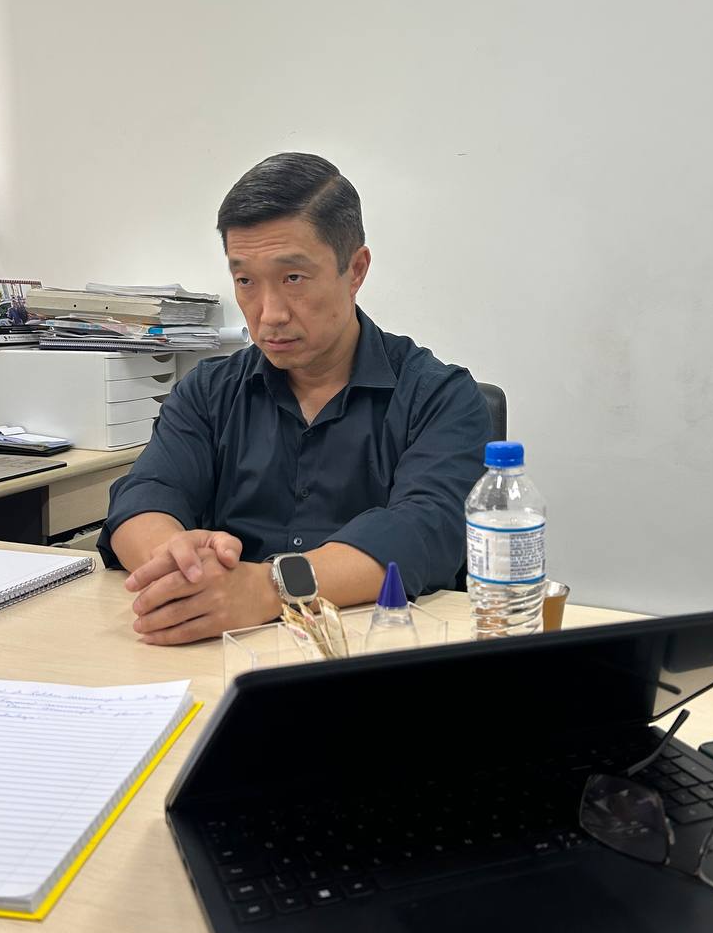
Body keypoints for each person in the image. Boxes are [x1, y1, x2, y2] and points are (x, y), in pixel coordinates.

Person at [98, 152, 492, 645]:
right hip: (219, 654)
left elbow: (424, 531)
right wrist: (179, 564)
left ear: (356, 269)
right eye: (245, 281)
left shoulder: (439, 396)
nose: (269, 314)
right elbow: (145, 495)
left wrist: (270, 587)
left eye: (293, 279)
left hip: (376, 653)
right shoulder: (208, 392)